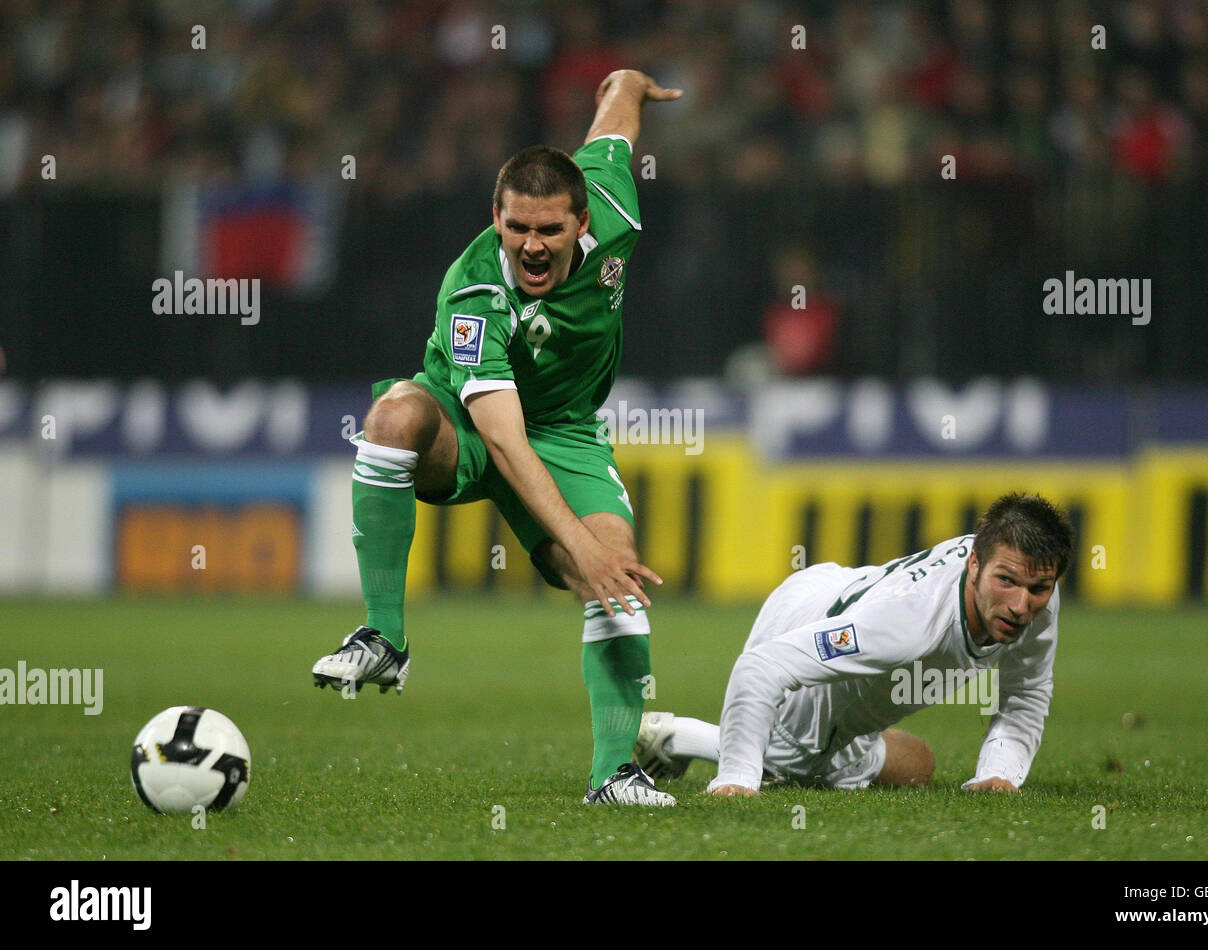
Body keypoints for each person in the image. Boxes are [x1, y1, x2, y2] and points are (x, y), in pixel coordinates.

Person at [312, 69, 683, 807]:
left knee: (617, 583)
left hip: (566, 433)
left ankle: (614, 777)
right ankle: (384, 638)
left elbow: (611, 127)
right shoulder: (476, 289)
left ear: (583, 222)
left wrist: (628, 84)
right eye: (516, 228)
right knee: (392, 418)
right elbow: (506, 442)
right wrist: (577, 542)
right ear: (497, 216)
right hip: (470, 425)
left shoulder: (614, 206)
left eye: (549, 229)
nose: (532, 246)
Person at [634, 493, 1074, 796]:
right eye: (1006, 582)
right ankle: (672, 737)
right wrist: (736, 779)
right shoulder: (910, 624)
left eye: (1038, 587)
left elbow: (1026, 691)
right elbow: (760, 668)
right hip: (813, 617)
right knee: (790, 768)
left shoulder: (1030, 581)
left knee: (917, 765)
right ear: (974, 564)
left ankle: (823, 750)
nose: (1020, 605)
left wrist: (998, 773)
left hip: (845, 589)